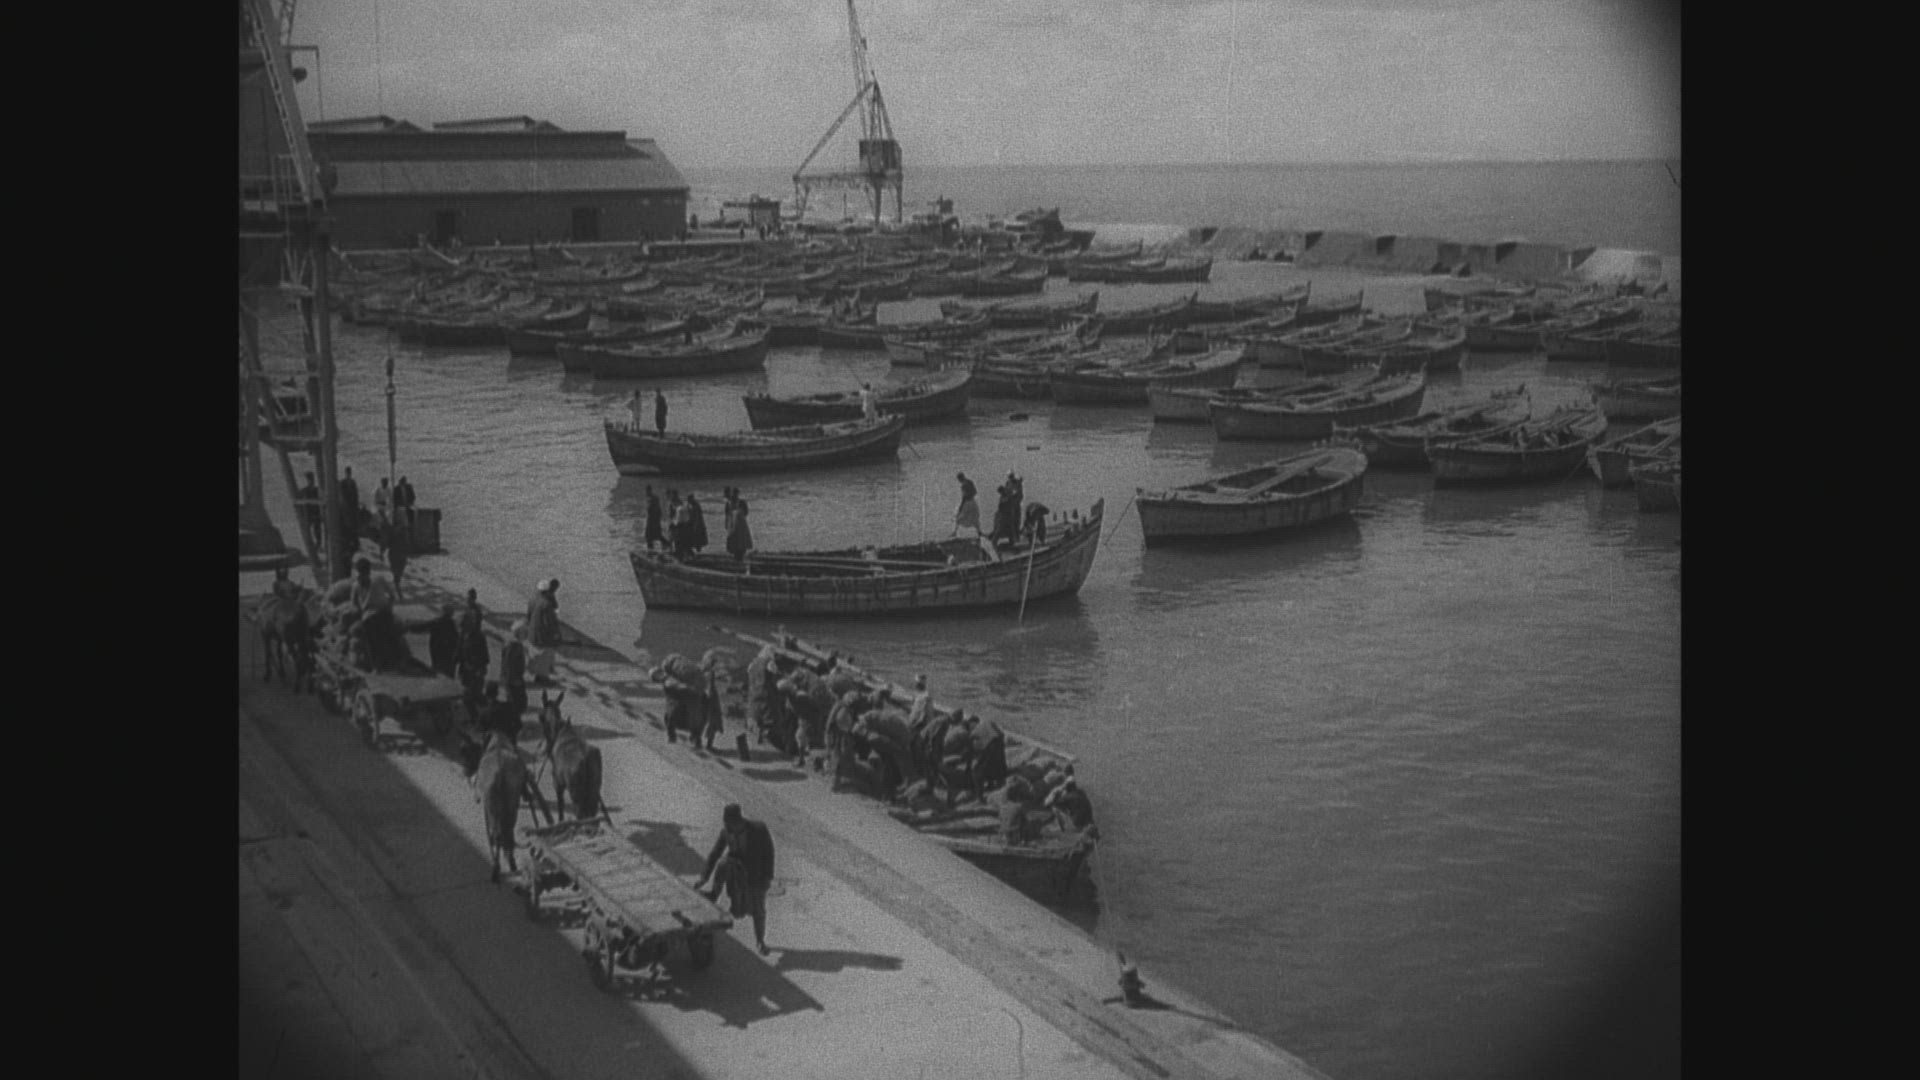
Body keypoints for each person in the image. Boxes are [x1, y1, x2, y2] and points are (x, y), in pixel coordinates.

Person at [696, 804, 775, 955]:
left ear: (738, 821)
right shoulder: (726, 832)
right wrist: (704, 877)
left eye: (729, 824)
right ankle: (714, 894)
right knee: (723, 864)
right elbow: (715, 853)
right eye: (725, 823)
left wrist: (768, 877)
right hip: (736, 872)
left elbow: (769, 853)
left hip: (755, 875)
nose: (727, 827)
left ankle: (760, 941)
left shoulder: (758, 829)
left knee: (758, 910)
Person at [500, 621, 530, 718]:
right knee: (517, 705)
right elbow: (508, 664)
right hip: (514, 680)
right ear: (518, 632)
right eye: (524, 632)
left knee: (517, 705)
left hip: (514, 679)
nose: (526, 635)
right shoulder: (514, 646)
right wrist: (513, 680)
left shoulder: (513, 644)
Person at [423, 603, 460, 678]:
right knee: (449, 674)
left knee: (438, 672)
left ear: (443, 612)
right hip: (450, 654)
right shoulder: (453, 624)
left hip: (437, 652)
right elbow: (457, 639)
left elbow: (422, 626)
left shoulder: (437, 622)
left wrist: (408, 625)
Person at [526, 579, 561, 649]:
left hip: (530, 635)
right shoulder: (546, 604)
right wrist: (556, 632)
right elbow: (549, 622)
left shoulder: (532, 599)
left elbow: (529, 616)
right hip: (539, 638)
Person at [951, 472, 981, 539]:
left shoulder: (963, 485)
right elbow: (975, 492)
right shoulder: (970, 482)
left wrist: (961, 507)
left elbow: (964, 497)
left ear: (960, 479)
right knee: (975, 518)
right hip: (973, 502)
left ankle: (954, 532)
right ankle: (979, 533)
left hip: (967, 502)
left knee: (958, 517)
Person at [726, 498, 754, 563]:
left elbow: (732, 526)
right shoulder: (740, 514)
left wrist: (730, 532)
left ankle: (738, 560)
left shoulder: (735, 513)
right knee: (741, 548)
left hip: (737, 534)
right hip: (741, 534)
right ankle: (740, 559)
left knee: (738, 548)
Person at [644, 486, 665, 552]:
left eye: (647, 491)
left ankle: (651, 550)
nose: (646, 493)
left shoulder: (653, 498)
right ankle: (651, 549)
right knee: (654, 536)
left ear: (649, 491)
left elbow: (655, 510)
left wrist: (655, 520)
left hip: (653, 520)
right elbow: (658, 510)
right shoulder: (652, 498)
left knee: (651, 536)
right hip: (652, 519)